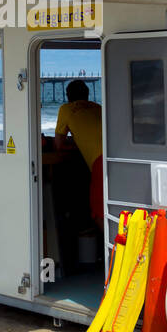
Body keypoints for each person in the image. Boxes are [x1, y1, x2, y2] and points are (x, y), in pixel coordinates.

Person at [54, 79, 103, 228]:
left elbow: (58, 144)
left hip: (99, 162)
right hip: (114, 156)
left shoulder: (66, 109)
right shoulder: (98, 107)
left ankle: (113, 251)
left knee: (99, 214)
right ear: (87, 95)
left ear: (68, 96)